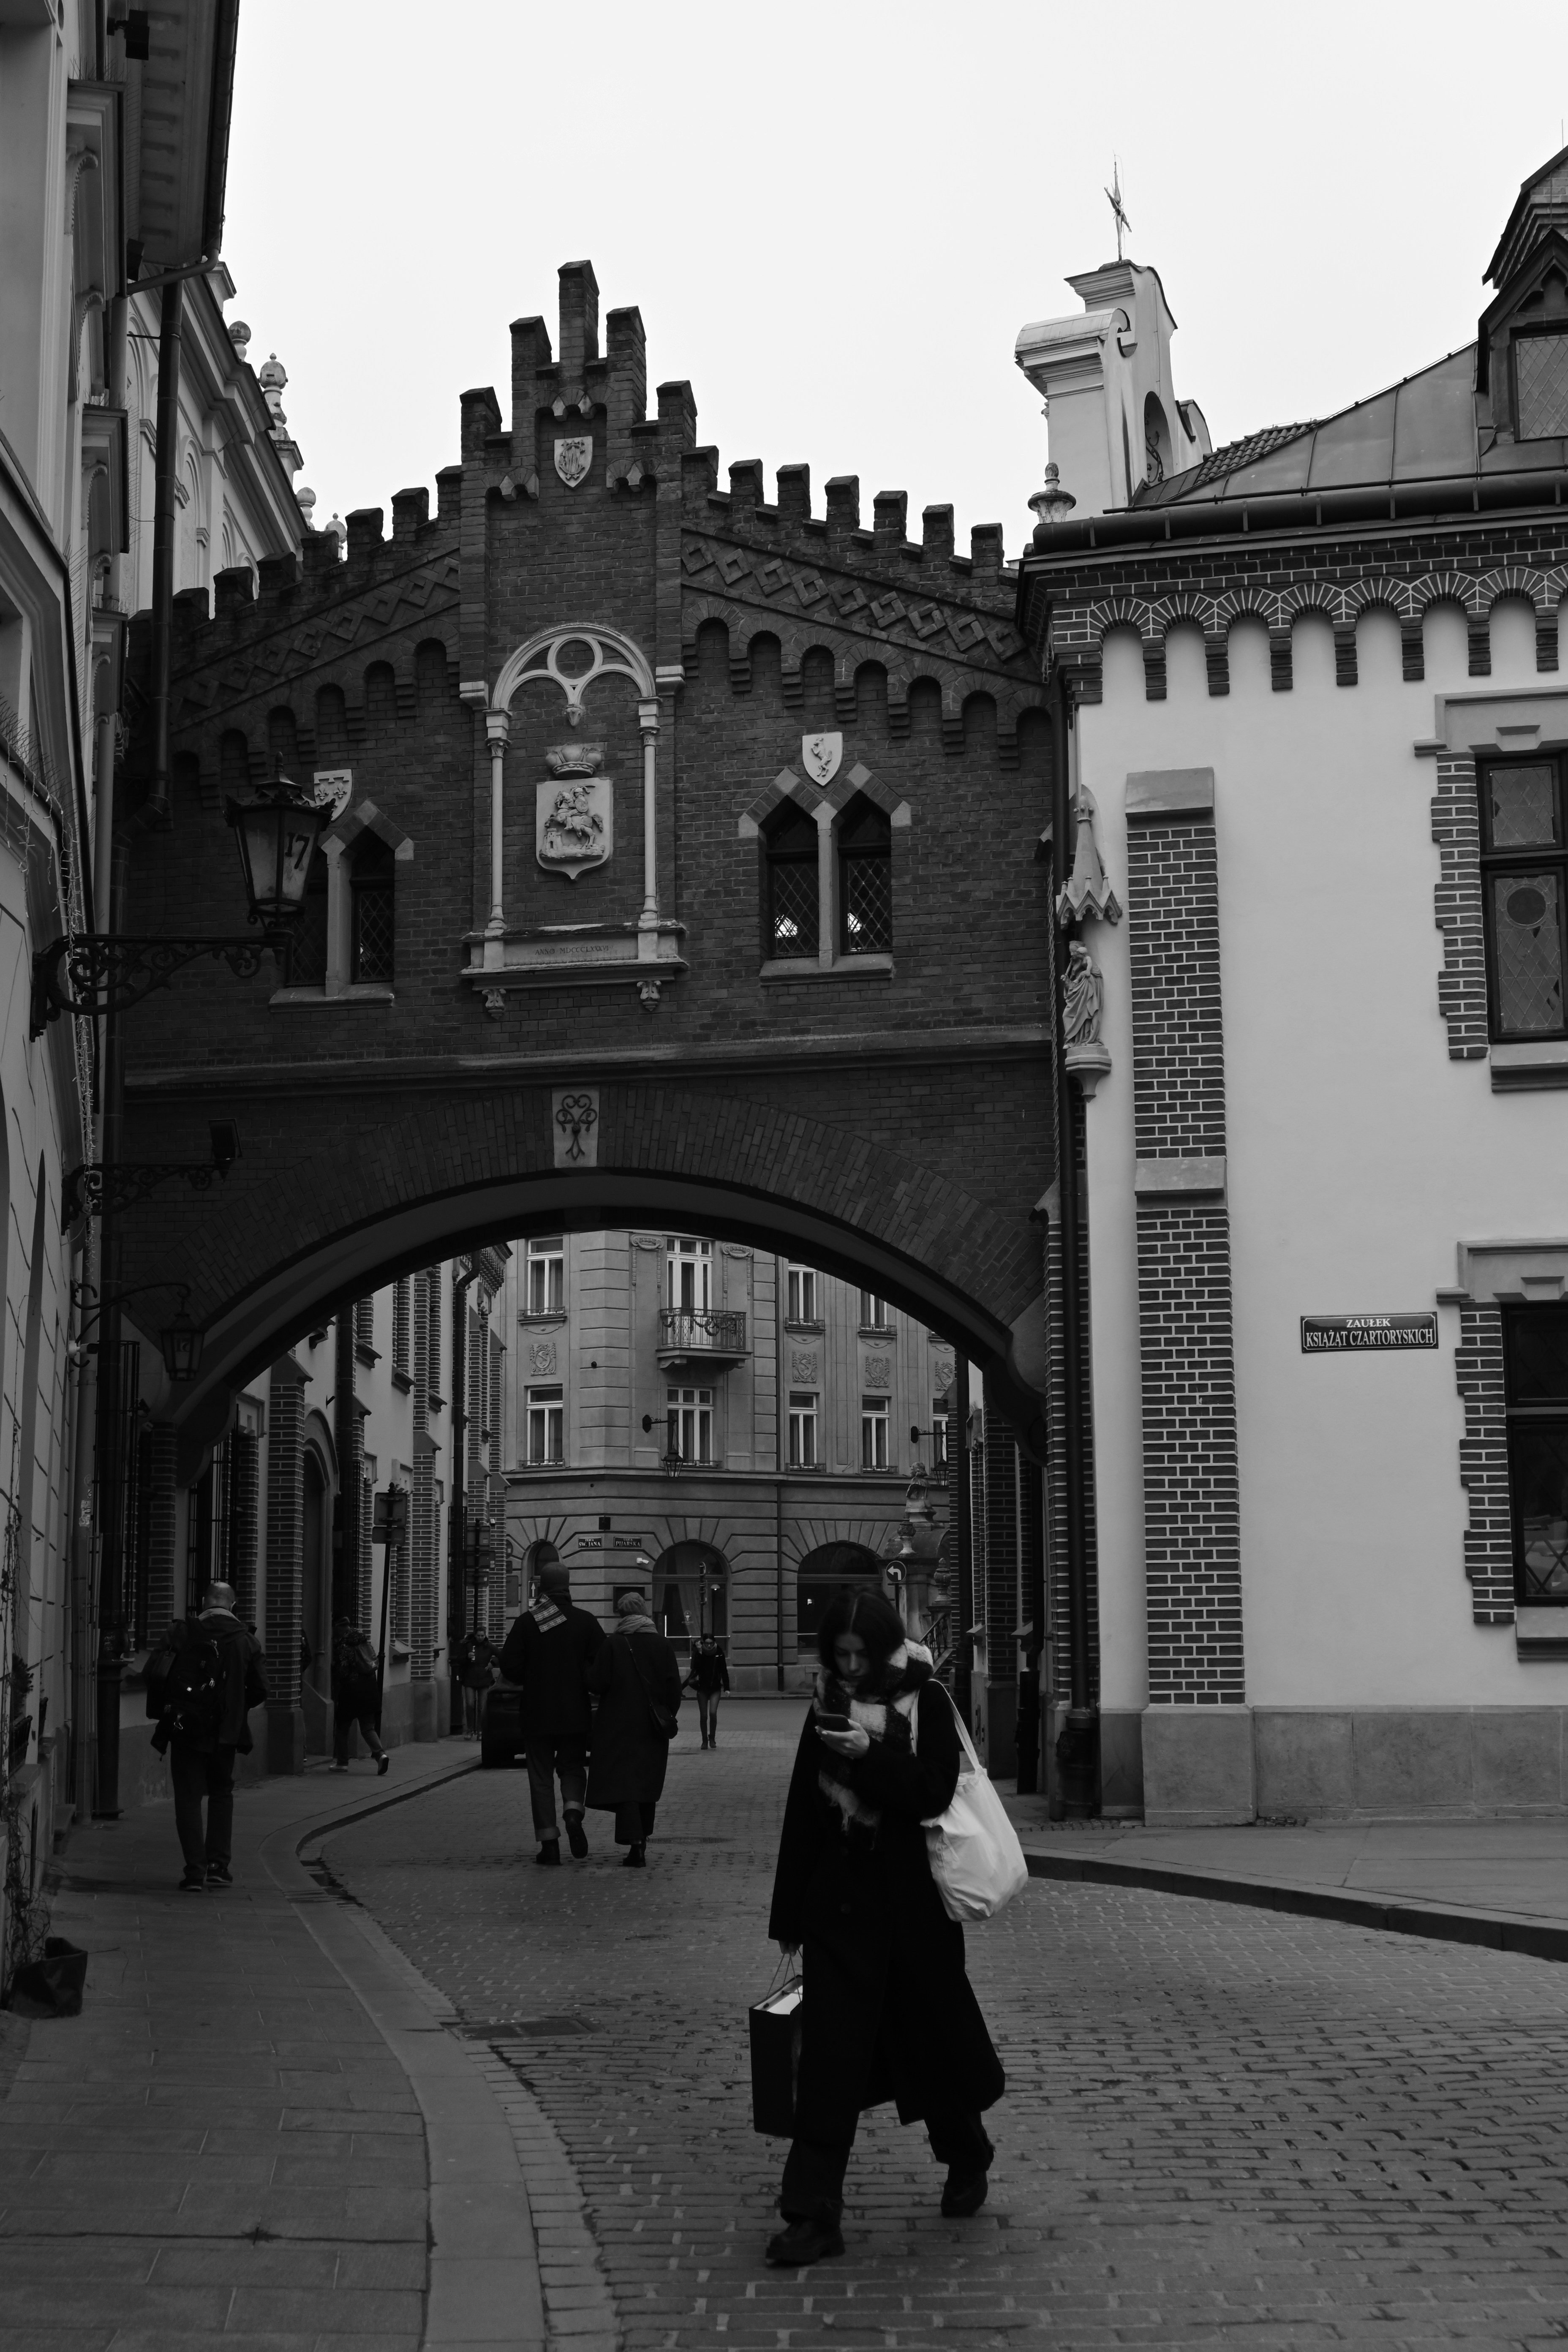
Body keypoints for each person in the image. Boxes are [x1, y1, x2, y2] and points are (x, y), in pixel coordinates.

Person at [764, 1588, 1004, 2267]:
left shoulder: (925, 1699)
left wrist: (868, 1753)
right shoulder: (827, 1702)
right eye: (837, 1656)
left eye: (858, 1655)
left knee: (930, 2046)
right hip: (840, 1914)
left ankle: (967, 2152)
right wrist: (789, 1913)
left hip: (913, 1915)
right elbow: (803, 1811)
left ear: (882, 1645)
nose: (848, 1667)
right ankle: (813, 2215)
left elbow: (930, 1792)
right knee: (829, 2067)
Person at [150, 1581, 268, 1892]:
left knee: (188, 1799)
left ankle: (194, 1871)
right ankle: (218, 1866)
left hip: (185, 1728)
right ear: (233, 1605)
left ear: (204, 1603)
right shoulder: (246, 1641)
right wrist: (236, 1708)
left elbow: (157, 1674)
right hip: (226, 1733)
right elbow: (260, 1689)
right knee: (221, 1793)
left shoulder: (182, 1632)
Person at [497, 1562, 605, 1864]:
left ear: (542, 1587)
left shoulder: (527, 1622)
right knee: (572, 1768)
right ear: (568, 1586)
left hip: (537, 1713)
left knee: (541, 1778)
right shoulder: (586, 1621)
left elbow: (511, 1667)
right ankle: (573, 1812)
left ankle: (549, 1844)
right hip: (574, 1713)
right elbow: (601, 1666)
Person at [585, 1590, 682, 1867]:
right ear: (645, 1613)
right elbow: (674, 1689)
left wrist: (585, 1668)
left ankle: (635, 1842)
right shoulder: (662, 1645)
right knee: (645, 1782)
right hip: (651, 1727)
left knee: (626, 1782)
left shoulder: (614, 1643)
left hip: (618, 1725)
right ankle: (642, 1838)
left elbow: (597, 1683)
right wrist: (664, 1715)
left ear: (622, 1615)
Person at [330, 1615, 389, 1775]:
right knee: (368, 1728)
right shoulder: (364, 1643)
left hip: (351, 1692)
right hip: (370, 1690)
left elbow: (343, 1671)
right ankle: (381, 1755)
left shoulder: (345, 1646)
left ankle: (342, 1763)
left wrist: (334, 1669)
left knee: (342, 1728)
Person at [684, 1633, 730, 1749]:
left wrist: (727, 1688)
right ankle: (704, 1740)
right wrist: (699, 1652)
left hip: (715, 1688)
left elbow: (724, 1671)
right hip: (702, 1688)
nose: (709, 1646)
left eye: (711, 1644)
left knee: (713, 1713)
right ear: (703, 1643)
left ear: (714, 1643)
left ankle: (712, 1739)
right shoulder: (699, 1653)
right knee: (704, 1716)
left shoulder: (719, 1652)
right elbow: (696, 1668)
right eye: (707, 1644)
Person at [454, 1625, 497, 1739]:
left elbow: (501, 1655)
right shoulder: (468, 1645)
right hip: (469, 1679)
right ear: (475, 1635)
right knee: (470, 1704)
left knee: (482, 1707)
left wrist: (492, 1664)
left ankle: (480, 1731)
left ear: (485, 1635)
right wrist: (467, 1657)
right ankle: (470, 1730)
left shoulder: (489, 1646)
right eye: (479, 1636)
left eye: (483, 1636)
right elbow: (459, 1659)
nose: (481, 1638)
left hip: (484, 1679)